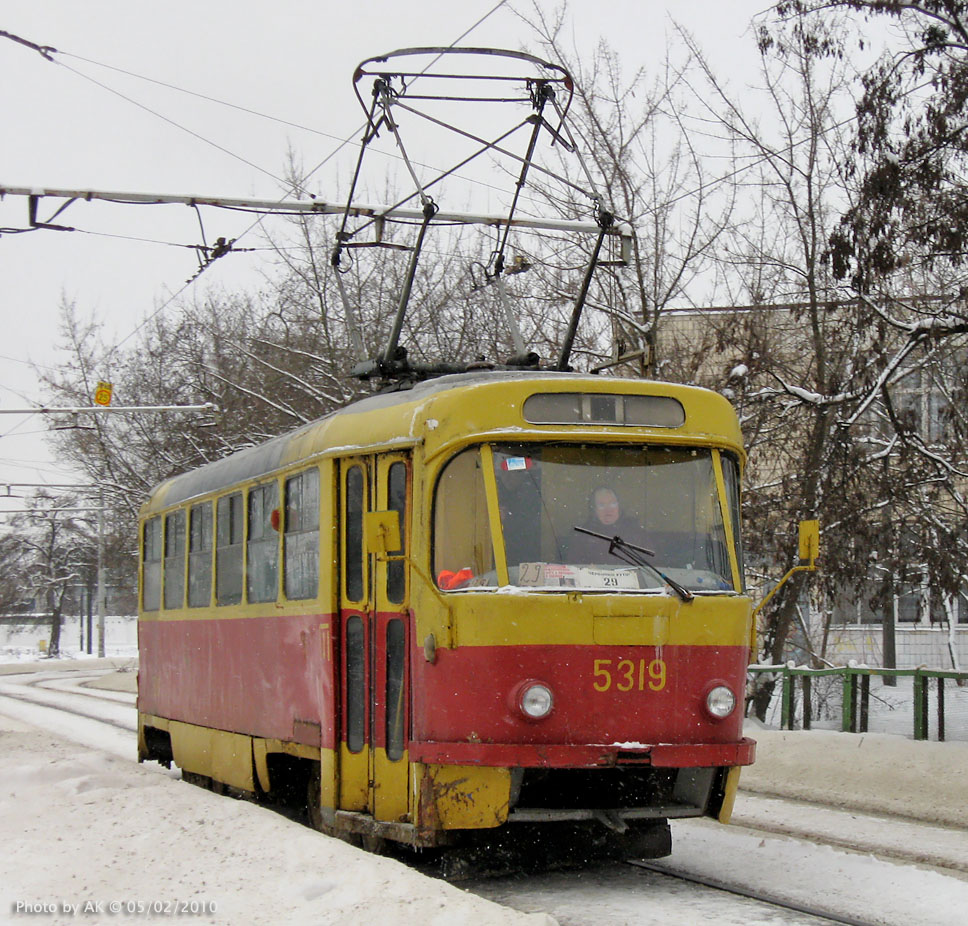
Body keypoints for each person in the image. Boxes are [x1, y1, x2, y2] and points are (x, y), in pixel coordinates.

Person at [563, 486, 650, 564]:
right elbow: (574, 567)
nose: (608, 510)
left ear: (619, 506)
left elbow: (650, 565)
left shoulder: (635, 533)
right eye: (601, 505)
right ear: (594, 509)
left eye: (613, 504)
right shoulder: (582, 535)